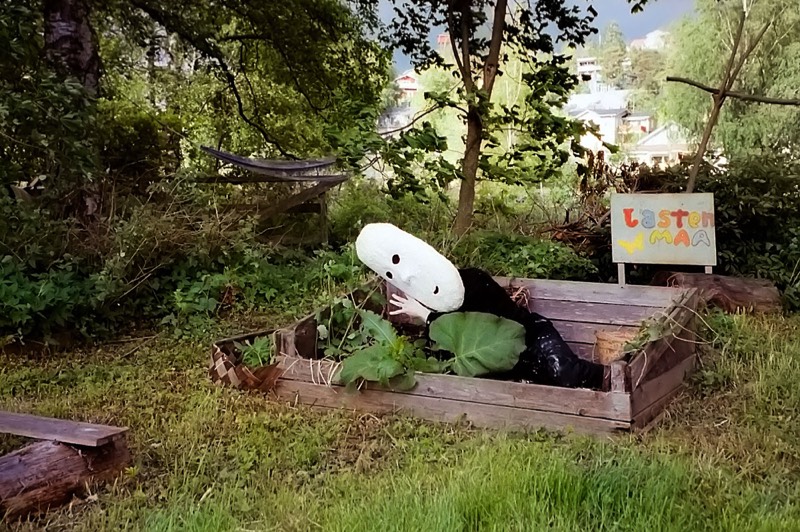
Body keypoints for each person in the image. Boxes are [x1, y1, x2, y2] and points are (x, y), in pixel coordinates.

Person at [355, 223, 606, 390]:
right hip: (512, 363)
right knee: (542, 385)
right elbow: (449, 350)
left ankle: (611, 377)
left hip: (532, 336)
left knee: (566, 372)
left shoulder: (474, 280)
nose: (407, 275)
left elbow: (485, 321)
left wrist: (429, 316)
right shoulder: (426, 301)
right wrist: (425, 319)